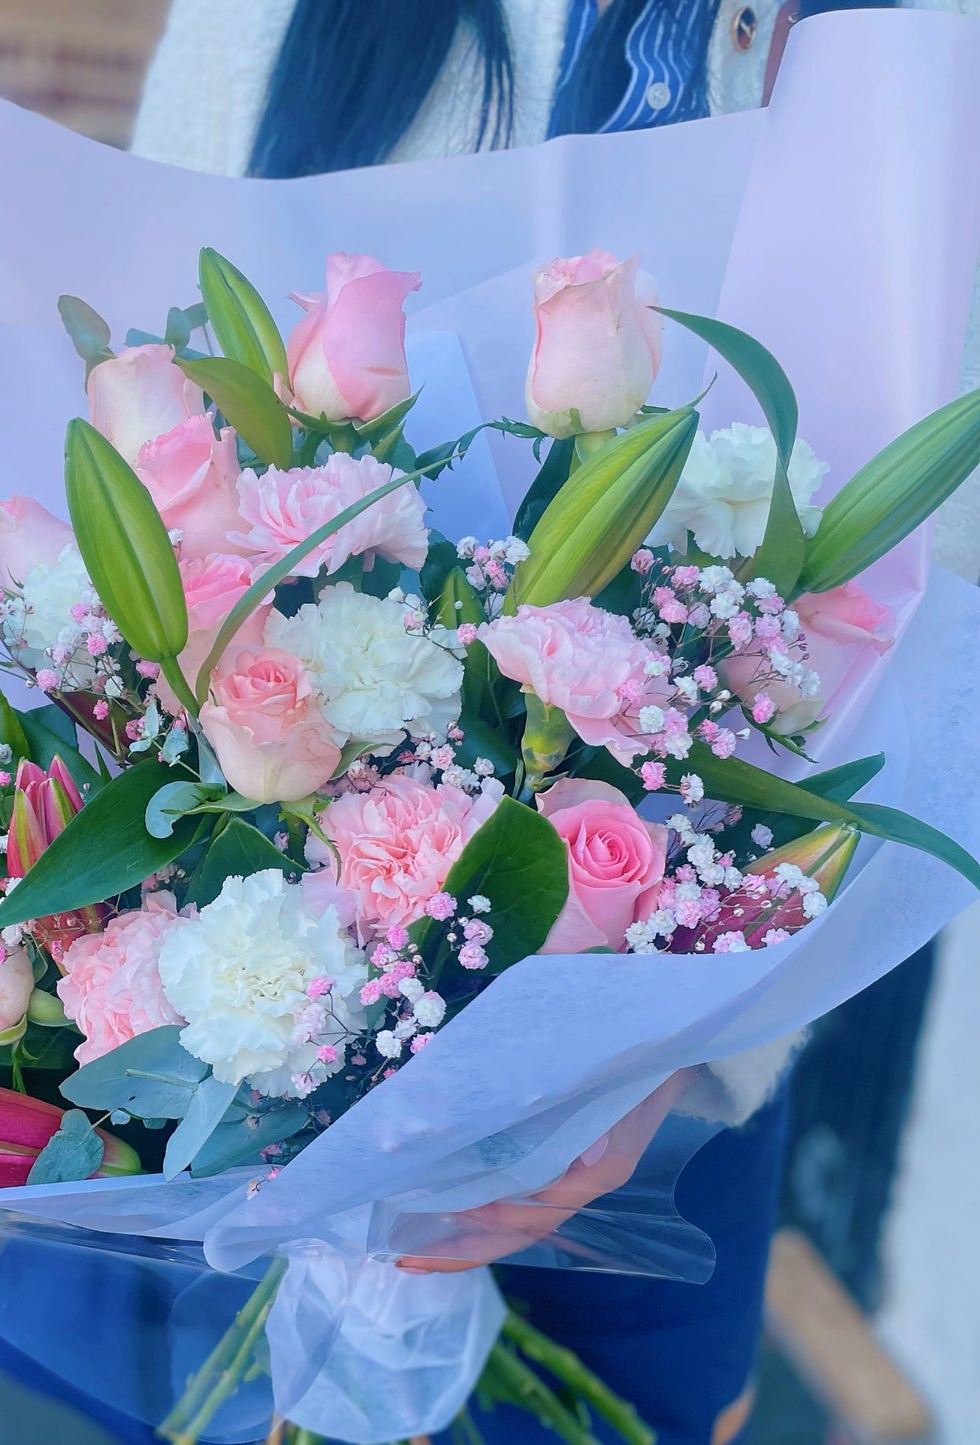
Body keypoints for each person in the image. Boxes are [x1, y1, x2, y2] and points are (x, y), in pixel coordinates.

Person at [124, 4, 976, 1441]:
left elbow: (917, 579)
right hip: (262, 1086)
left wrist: (688, 1043)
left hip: (666, 1096)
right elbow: (133, 451)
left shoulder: (892, 35)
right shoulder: (261, 20)